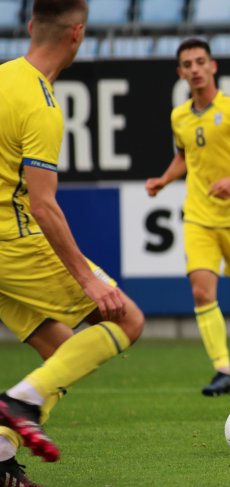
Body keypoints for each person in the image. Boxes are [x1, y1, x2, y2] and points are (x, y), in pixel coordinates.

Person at [0, 1, 145, 484]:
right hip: (11, 238)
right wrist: (87, 279)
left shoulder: (2, 78)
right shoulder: (41, 105)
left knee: (62, 353)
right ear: (77, 34)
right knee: (126, 318)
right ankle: (14, 404)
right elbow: (43, 205)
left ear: (29, 26)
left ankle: (1, 458)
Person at [145, 38, 230, 397]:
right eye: (188, 64)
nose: (195, 69)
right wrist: (164, 179)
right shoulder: (179, 115)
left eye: (201, 61)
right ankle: (223, 370)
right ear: (181, 72)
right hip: (199, 217)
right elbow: (184, 156)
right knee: (201, 291)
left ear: (213, 66)